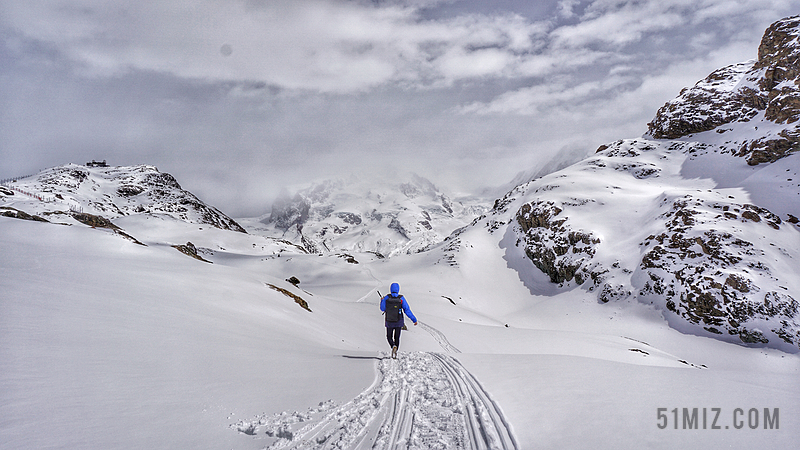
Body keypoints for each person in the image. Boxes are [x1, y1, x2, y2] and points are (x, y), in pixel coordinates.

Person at [380, 282, 417, 359]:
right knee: (397, 337)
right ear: (398, 289)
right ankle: (395, 352)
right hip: (399, 321)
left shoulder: (386, 297)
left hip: (389, 321)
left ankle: (393, 346)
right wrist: (414, 319)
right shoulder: (401, 298)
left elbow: (382, 309)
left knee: (389, 336)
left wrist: (382, 301)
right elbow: (407, 310)